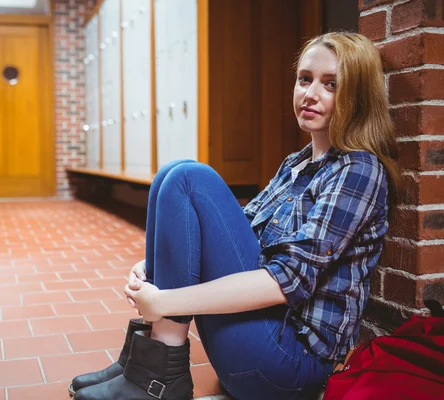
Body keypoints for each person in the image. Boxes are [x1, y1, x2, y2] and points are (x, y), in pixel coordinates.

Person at [70, 32, 400, 400]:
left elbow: (287, 280)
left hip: (289, 366)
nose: (310, 94)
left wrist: (163, 301)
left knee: (188, 179)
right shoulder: (297, 163)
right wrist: (153, 263)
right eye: (304, 79)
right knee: (171, 173)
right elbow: (233, 233)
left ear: (358, 96)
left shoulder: (359, 170)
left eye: (331, 85)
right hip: (260, 338)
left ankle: (158, 378)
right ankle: (145, 364)